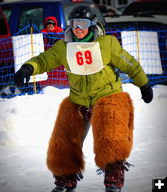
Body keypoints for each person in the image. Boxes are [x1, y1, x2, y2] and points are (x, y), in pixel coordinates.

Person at [14, 5, 153, 192]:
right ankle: (65, 182)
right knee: (64, 141)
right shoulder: (64, 47)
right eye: (74, 24)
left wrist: (144, 84)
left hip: (107, 97)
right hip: (78, 99)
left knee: (110, 139)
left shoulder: (107, 44)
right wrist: (28, 67)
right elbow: (44, 60)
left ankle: (113, 183)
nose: (78, 29)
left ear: (92, 25)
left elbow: (130, 65)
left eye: (82, 24)